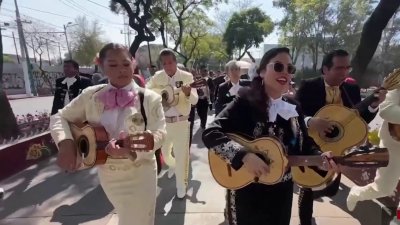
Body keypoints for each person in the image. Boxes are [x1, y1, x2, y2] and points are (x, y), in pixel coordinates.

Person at [202, 47, 338, 225]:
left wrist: (320, 156)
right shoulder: (244, 101)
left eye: (290, 69)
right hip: (247, 190)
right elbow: (211, 132)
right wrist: (244, 156)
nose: (285, 73)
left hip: (282, 192)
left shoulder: (293, 107)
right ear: (262, 71)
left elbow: (303, 143)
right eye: (279, 66)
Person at [49, 43, 166, 225]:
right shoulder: (91, 96)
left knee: (137, 220)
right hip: (108, 175)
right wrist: (65, 143)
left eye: (126, 64)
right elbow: (59, 117)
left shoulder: (150, 98)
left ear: (133, 64)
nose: (121, 70)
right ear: (101, 65)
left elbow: (160, 131)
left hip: (140, 173)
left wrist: (152, 140)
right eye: (113, 65)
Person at [295, 49, 386, 225]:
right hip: (311, 144)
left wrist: (373, 106)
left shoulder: (351, 88)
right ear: (325, 70)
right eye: (339, 68)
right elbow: (294, 114)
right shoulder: (309, 85)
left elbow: (359, 120)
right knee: (308, 188)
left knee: (329, 189)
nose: (344, 73)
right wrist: (310, 121)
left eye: (347, 68)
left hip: (338, 149)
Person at [146, 49, 198, 198]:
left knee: (182, 156)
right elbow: (147, 92)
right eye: (164, 63)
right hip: (164, 124)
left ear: (175, 62)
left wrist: (188, 93)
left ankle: (181, 186)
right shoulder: (157, 77)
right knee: (165, 154)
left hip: (181, 122)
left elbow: (194, 100)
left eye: (170, 62)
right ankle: (172, 165)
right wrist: (161, 94)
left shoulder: (187, 76)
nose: (168, 66)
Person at [347, 87, 399, 211]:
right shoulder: (397, 86)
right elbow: (386, 110)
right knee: (383, 189)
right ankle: (356, 194)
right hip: (394, 146)